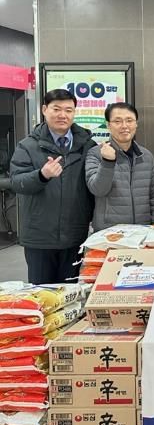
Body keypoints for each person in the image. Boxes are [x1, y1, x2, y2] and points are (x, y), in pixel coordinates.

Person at [10, 89, 96, 284]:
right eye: (56, 109)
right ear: (44, 110)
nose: (62, 115)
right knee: (42, 293)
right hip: (40, 237)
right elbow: (16, 182)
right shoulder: (27, 146)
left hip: (75, 235)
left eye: (68, 110)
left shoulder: (87, 146)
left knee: (71, 293)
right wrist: (42, 175)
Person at [85, 103, 154, 231]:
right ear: (108, 125)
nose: (124, 126)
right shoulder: (96, 153)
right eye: (117, 121)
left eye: (129, 120)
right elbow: (97, 190)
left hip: (143, 230)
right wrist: (107, 162)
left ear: (136, 124)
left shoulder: (146, 156)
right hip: (109, 232)